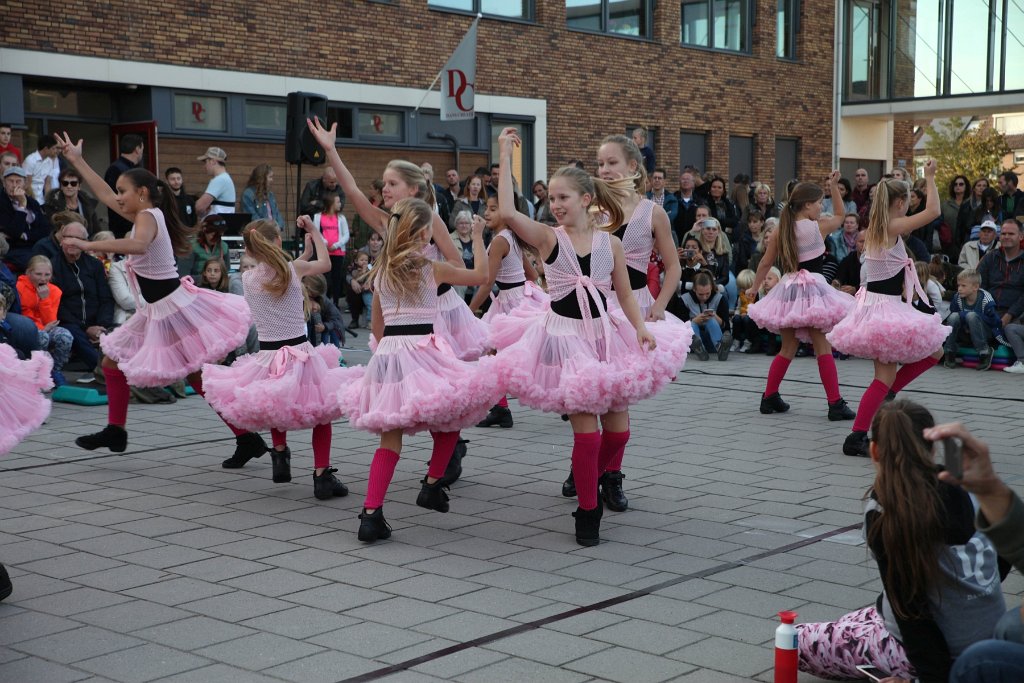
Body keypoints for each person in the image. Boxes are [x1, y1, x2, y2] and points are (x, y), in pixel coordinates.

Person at [489, 128, 682, 546]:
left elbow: (626, 295)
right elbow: (507, 211)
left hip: (606, 337)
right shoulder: (546, 238)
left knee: (618, 433)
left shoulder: (608, 243)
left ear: (586, 200)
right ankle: (588, 510)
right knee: (587, 434)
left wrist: (642, 327)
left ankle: (591, 474)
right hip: (567, 342)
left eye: (564, 198)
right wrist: (505, 154)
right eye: (552, 199)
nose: (556, 205)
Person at [53, 131, 265, 467]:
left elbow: (137, 246)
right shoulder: (142, 213)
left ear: (141, 193)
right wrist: (76, 160)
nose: (118, 197)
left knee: (195, 375)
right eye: (119, 191)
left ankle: (247, 436)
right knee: (113, 361)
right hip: (155, 310)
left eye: (124, 192)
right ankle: (116, 430)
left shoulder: (148, 216)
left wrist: (89, 245)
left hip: (172, 308)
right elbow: (104, 193)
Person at [797, 400, 1007, 683]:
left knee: (795, 640)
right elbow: (1000, 560)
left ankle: (897, 664)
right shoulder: (967, 483)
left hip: (942, 652)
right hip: (992, 636)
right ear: (932, 448)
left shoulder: (886, 510)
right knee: (860, 618)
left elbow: (912, 612)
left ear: (874, 451)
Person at [337, 198, 501, 543]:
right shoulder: (431, 268)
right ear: (426, 233)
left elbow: (378, 331)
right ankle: (431, 483)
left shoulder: (380, 271)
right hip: (425, 350)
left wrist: (391, 354)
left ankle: (371, 514)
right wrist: (479, 237)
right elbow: (482, 276)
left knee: (390, 437)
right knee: (452, 415)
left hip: (389, 355)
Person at [306, 117, 486, 361]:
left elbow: (458, 264)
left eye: (392, 183)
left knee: (447, 380)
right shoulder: (386, 222)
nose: (385, 188)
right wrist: (331, 150)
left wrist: (423, 274)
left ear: (412, 189)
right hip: (403, 314)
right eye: (384, 183)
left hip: (437, 308)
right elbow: (352, 190)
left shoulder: (430, 221)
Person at [203, 218, 357, 498]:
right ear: (276, 242)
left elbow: (280, 271)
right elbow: (326, 264)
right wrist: (313, 232)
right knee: (320, 411)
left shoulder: (247, 279)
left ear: (250, 249)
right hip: (300, 352)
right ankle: (322, 475)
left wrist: (304, 255)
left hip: (268, 356)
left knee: (273, 399)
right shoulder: (292, 270)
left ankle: (280, 455)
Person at [828, 161, 951, 457]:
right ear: (899, 202)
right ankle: (857, 435)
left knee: (935, 352)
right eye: (908, 201)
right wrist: (931, 177)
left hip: (879, 303)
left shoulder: (878, 227)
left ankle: (888, 394)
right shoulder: (890, 226)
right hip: (884, 307)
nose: (910, 205)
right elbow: (933, 212)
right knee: (883, 378)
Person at [747, 174, 857, 420]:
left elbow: (765, 262)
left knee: (787, 348)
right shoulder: (817, 226)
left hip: (788, 290)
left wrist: (754, 288)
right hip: (814, 291)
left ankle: (769, 396)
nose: (821, 207)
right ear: (807, 204)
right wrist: (835, 189)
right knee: (822, 347)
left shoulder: (780, 229)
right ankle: (835, 403)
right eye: (819, 202)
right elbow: (840, 215)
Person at [934, 423, 1024, 683]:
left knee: (977, 663)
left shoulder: (880, 512)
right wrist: (990, 489)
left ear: (875, 452)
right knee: (1011, 628)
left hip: (914, 645)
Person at [468, 193, 549, 430]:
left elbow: (486, 280)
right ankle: (501, 409)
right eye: (487, 208)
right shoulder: (511, 237)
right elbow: (532, 275)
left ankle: (502, 408)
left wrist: (470, 309)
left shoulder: (500, 242)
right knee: (495, 353)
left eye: (494, 209)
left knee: (492, 353)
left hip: (510, 303)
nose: (487, 212)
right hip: (517, 297)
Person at [49, 220, 113, 372]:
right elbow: (59, 306)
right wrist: (86, 329)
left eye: (77, 239)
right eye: (68, 238)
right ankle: (104, 371)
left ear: (86, 243)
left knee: (123, 331)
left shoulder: (95, 265)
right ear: (61, 241)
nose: (71, 243)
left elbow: (106, 298)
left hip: (98, 321)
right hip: (70, 322)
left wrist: (101, 325)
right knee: (74, 333)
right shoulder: (52, 266)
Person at [16, 254, 73, 386]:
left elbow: (51, 320)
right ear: (28, 273)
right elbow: (20, 316)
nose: (43, 279)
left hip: (47, 326)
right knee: (42, 337)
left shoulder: (55, 291)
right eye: (38, 274)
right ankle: (36, 373)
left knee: (65, 336)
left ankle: (54, 371)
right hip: (26, 327)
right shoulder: (19, 288)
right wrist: (42, 328)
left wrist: (44, 299)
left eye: (47, 274)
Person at [942, 269, 1005, 371]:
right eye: (958, 285)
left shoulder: (986, 299)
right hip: (966, 333)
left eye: (963, 286)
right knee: (953, 316)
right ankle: (949, 351)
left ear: (975, 287)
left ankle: (984, 352)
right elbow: (955, 314)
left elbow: (995, 322)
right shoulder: (958, 297)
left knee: (971, 316)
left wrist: (974, 318)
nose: (959, 289)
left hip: (985, 334)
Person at [977, 218, 1024, 331]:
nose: (1006, 236)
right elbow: (978, 285)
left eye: (1011, 233)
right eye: (1003, 233)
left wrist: (1010, 314)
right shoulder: (990, 257)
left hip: (1017, 314)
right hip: (989, 311)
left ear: (1021, 236)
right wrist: (988, 310)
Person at [680, 271, 732, 361]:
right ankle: (699, 348)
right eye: (701, 294)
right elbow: (680, 325)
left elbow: (726, 326)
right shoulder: (685, 299)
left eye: (707, 293)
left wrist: (715, 316)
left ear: (711, 288)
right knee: (691, 324)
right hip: (691, 341)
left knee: (711, 320)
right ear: (694, 289)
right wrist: (694, 320)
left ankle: (720, 347)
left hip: (712, 339)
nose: (704, 297)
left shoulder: (720, 298)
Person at [102, 134, 144, 238]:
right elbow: (114, 198)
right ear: (138, 149)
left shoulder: (131, 169)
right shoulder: (116, 169)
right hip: (123, 228)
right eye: (142, 149)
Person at [312, 191, 348, 305]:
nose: (340, 204)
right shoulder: (318, 217)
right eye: (337, 201)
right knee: (325, 278)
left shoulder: (341, 218)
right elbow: (316, 232)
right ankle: (324, 301)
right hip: (324, 252)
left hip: (338, 253)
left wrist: (336, 245)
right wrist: (326, 243)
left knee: (337, 278)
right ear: (331, 203)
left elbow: (346, 234)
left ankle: (336, 303)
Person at [44, 168, 100, 234]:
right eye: (65, 183)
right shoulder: (52, 205)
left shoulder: (87, 204)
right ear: (61, 186)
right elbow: (52, 231)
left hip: (87, 240)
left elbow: (96, 230)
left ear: (79, 186)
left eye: (73, 183)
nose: (69, 186)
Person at [194, 147, 235, 218]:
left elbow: (200, 207)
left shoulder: (220, 180)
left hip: (217, 227)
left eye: (205, 162)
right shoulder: (225, 178)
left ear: (213, 161)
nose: (204, 166)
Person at [240, 164, 283, 229]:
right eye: (270, 177)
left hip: (273, 232)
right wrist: (269, 228)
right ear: (262, 178)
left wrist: (279, 226)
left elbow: (277, 214)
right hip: (259, 234)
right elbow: (253, 217)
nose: (272, 180)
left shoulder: (270, 194)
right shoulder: (248, 194)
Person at [188, 215, 229, 279]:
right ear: (204, 230)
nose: (216, 239)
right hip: (196, 286)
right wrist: (207, 279)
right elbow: (184, 277)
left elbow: (227, 273)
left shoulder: (224, 247)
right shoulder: (191, 246)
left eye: (219, 236)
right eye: (213, 235)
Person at [23, 137, 61, 205]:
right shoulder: (30, 160)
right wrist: (34, 202)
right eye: (53, 148)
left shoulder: (49, 161)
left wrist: (48, 201)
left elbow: (48, 183)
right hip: (28, 199)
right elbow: (27, 184)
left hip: (41, 200)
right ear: (46, 149)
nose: (56, 151)